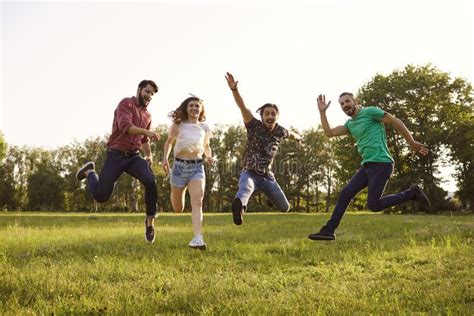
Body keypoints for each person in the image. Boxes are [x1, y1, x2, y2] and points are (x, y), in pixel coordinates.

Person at [308, 93, 431, 241]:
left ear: (355, 101)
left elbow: (394, 121)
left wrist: (411, 142)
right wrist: (322, 112)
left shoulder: (370, 112)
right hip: (367, 166)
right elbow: (329, 133)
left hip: (382, 163)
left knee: (374, 205)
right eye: (342, 103)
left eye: (347, 101)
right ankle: (328, 230)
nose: (345, 105)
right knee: (346, 193)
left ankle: (411, 193)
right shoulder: (350, 124)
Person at [76, 80, 160, 243]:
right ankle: (90, 172)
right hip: (116, 155)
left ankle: (150, 222)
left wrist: (149, 155)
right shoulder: (126, 104)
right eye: (147, 92)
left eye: (152, 94)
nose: (149, 96)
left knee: (151, 181)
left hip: (134, 157)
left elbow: (144, 140)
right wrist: (148, 132)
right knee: (101, 196)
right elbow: (126, 127)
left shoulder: (147, 115)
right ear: (139, 90)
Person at [225, 72, 302, 225]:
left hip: (267, 177)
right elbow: (242, 106)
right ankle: (239, 209)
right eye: (266, 114)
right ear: (261, 116)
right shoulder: (254, 126)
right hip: (250, 173)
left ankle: (271, 198)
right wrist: (234, 90)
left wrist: (299, 138)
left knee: (285, 207)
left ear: (277, 117)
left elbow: (291, 134)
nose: (270, 116)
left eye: (273, 114)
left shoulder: (280, 131)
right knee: (245, 189)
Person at [162, 96, 213, 250]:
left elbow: (206, 146)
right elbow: (169, 142)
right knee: (178, 208)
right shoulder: (179, 125)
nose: (194, 108)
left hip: (197, 167)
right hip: (179, 167)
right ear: (186, 108)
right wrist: (165, 159)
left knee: (198, 202)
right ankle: (175, 192)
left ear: (201, 109)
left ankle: (197, 238)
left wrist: (209, 157)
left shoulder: (204, 128)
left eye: (197, 106)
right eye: (191, 105)